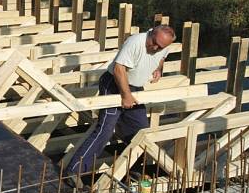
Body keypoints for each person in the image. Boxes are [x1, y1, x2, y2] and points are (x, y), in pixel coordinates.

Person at [66, 25, 176, 180]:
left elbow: (162, 56)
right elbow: (119, 69)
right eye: (154, 43)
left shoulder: (162, 47)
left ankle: (132, 168)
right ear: (150, 33)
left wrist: (159, 69)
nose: (156, 47)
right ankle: (74, 171)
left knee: (140, 131)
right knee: (106, 129)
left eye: (160, 47)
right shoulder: (135, 42)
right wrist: (126, 95)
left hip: (135, 87)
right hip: (114, 84)